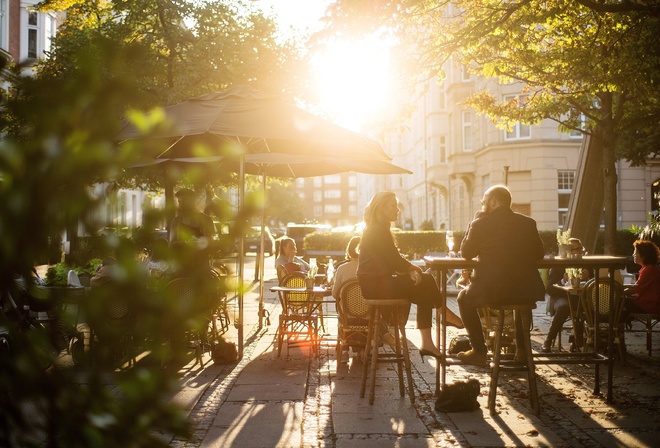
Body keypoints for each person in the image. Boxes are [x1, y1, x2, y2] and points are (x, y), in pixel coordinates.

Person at [357, 191, 463, 362]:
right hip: (376, 286)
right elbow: (395, 260)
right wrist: (414, 269)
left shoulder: (376, 228)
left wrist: (409, 271)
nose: (398, 209)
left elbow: (390, 261)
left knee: (424, 293)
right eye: (393, 205)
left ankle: (429, 341)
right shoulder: (377, 230)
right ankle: (443, 313)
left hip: (376, 284)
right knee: (427, 279)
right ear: (382, 208)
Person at [456, 185, 545, 366]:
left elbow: (465, 252)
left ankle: (479, 351)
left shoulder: (480, 224)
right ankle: (522, 351)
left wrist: (473, 223)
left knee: (463, 298)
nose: (482, 206)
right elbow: (539, 254)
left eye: (483, 202)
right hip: (525, 290)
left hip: (492, 291)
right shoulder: (528, 223)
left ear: (493, 202)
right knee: (520, 303)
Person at [333, 236, 395, 360]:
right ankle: (376, 340)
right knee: (376, 312)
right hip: (368, 318)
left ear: (349, 250)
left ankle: (345, 351)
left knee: (340, 310)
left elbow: (335, 295)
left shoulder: (342, 269)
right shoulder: (373, 270)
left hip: (348, 318)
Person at [543, 237, 592, 353]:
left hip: (580, 297)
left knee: (591, 306)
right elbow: (550, 289)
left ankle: (585, 340)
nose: (581, 251)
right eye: (577, 249)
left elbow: (596, 283)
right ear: (568, 251)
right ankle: (549, 340)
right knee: (564, 307)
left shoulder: (587, 264)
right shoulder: (558, 264)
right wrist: (562, 281)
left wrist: (588, 278)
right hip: (561, 297)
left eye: (581, 248)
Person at [623, 240, 660, 315]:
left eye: (636, 252)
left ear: (643, 256)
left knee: (619, 301)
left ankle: (616, 325)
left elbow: (636, 289)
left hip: (649, 305)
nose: (633, 255)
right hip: (652, 304)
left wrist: (620, 290)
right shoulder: (651, 268)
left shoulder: (648, 270)